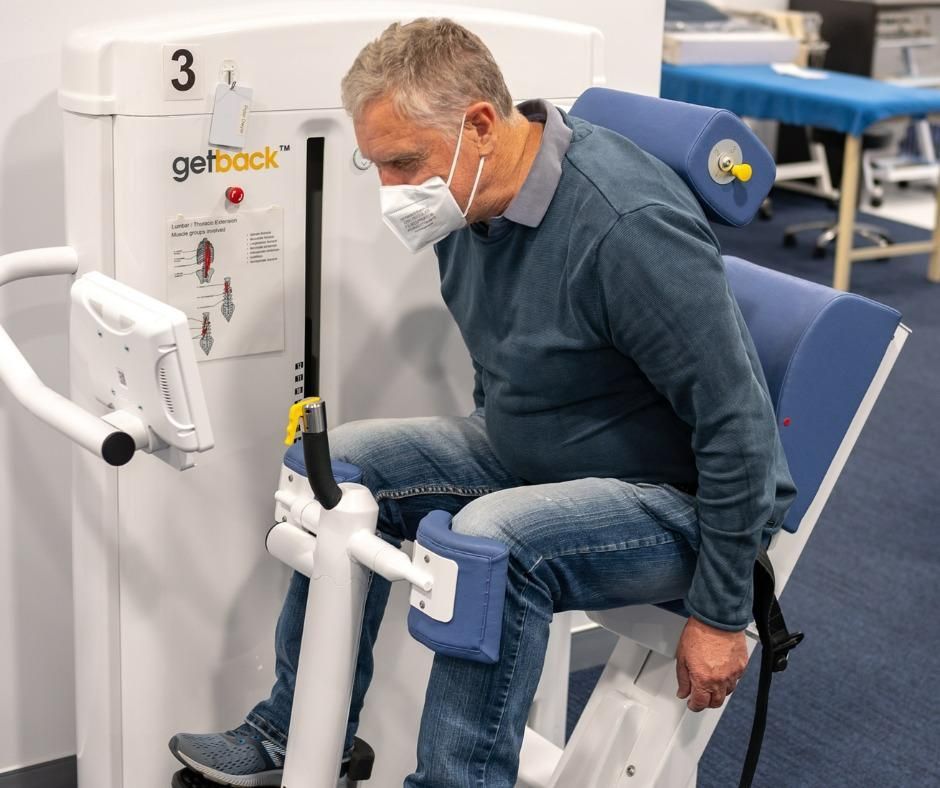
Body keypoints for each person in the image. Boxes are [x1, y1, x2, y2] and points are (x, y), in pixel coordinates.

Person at [169, 17, 796, 788]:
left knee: (492, 543)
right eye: (378, 166)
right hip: (539, 451)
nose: (392, 192)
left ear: (479, 126)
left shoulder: (626, 227)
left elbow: (741, 430)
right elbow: (505, 359)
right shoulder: (465, 203)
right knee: (341, 474)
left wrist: (721, 610)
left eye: (404, 163)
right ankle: (297, 734)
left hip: (678, 502)